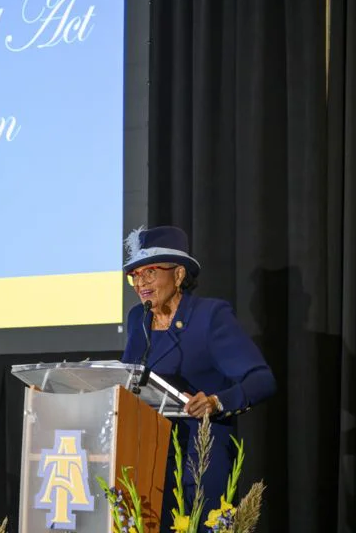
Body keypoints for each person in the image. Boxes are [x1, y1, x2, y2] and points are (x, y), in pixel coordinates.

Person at [120, 225, 276, 528]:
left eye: (150, 272)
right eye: (135, 275)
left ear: (179, 275)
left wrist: (217, 402)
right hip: (145, 455)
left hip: (199, 458)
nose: (141, 283)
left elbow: (261, 379)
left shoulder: (209, 317)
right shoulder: (138, 318)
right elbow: (129, 380)